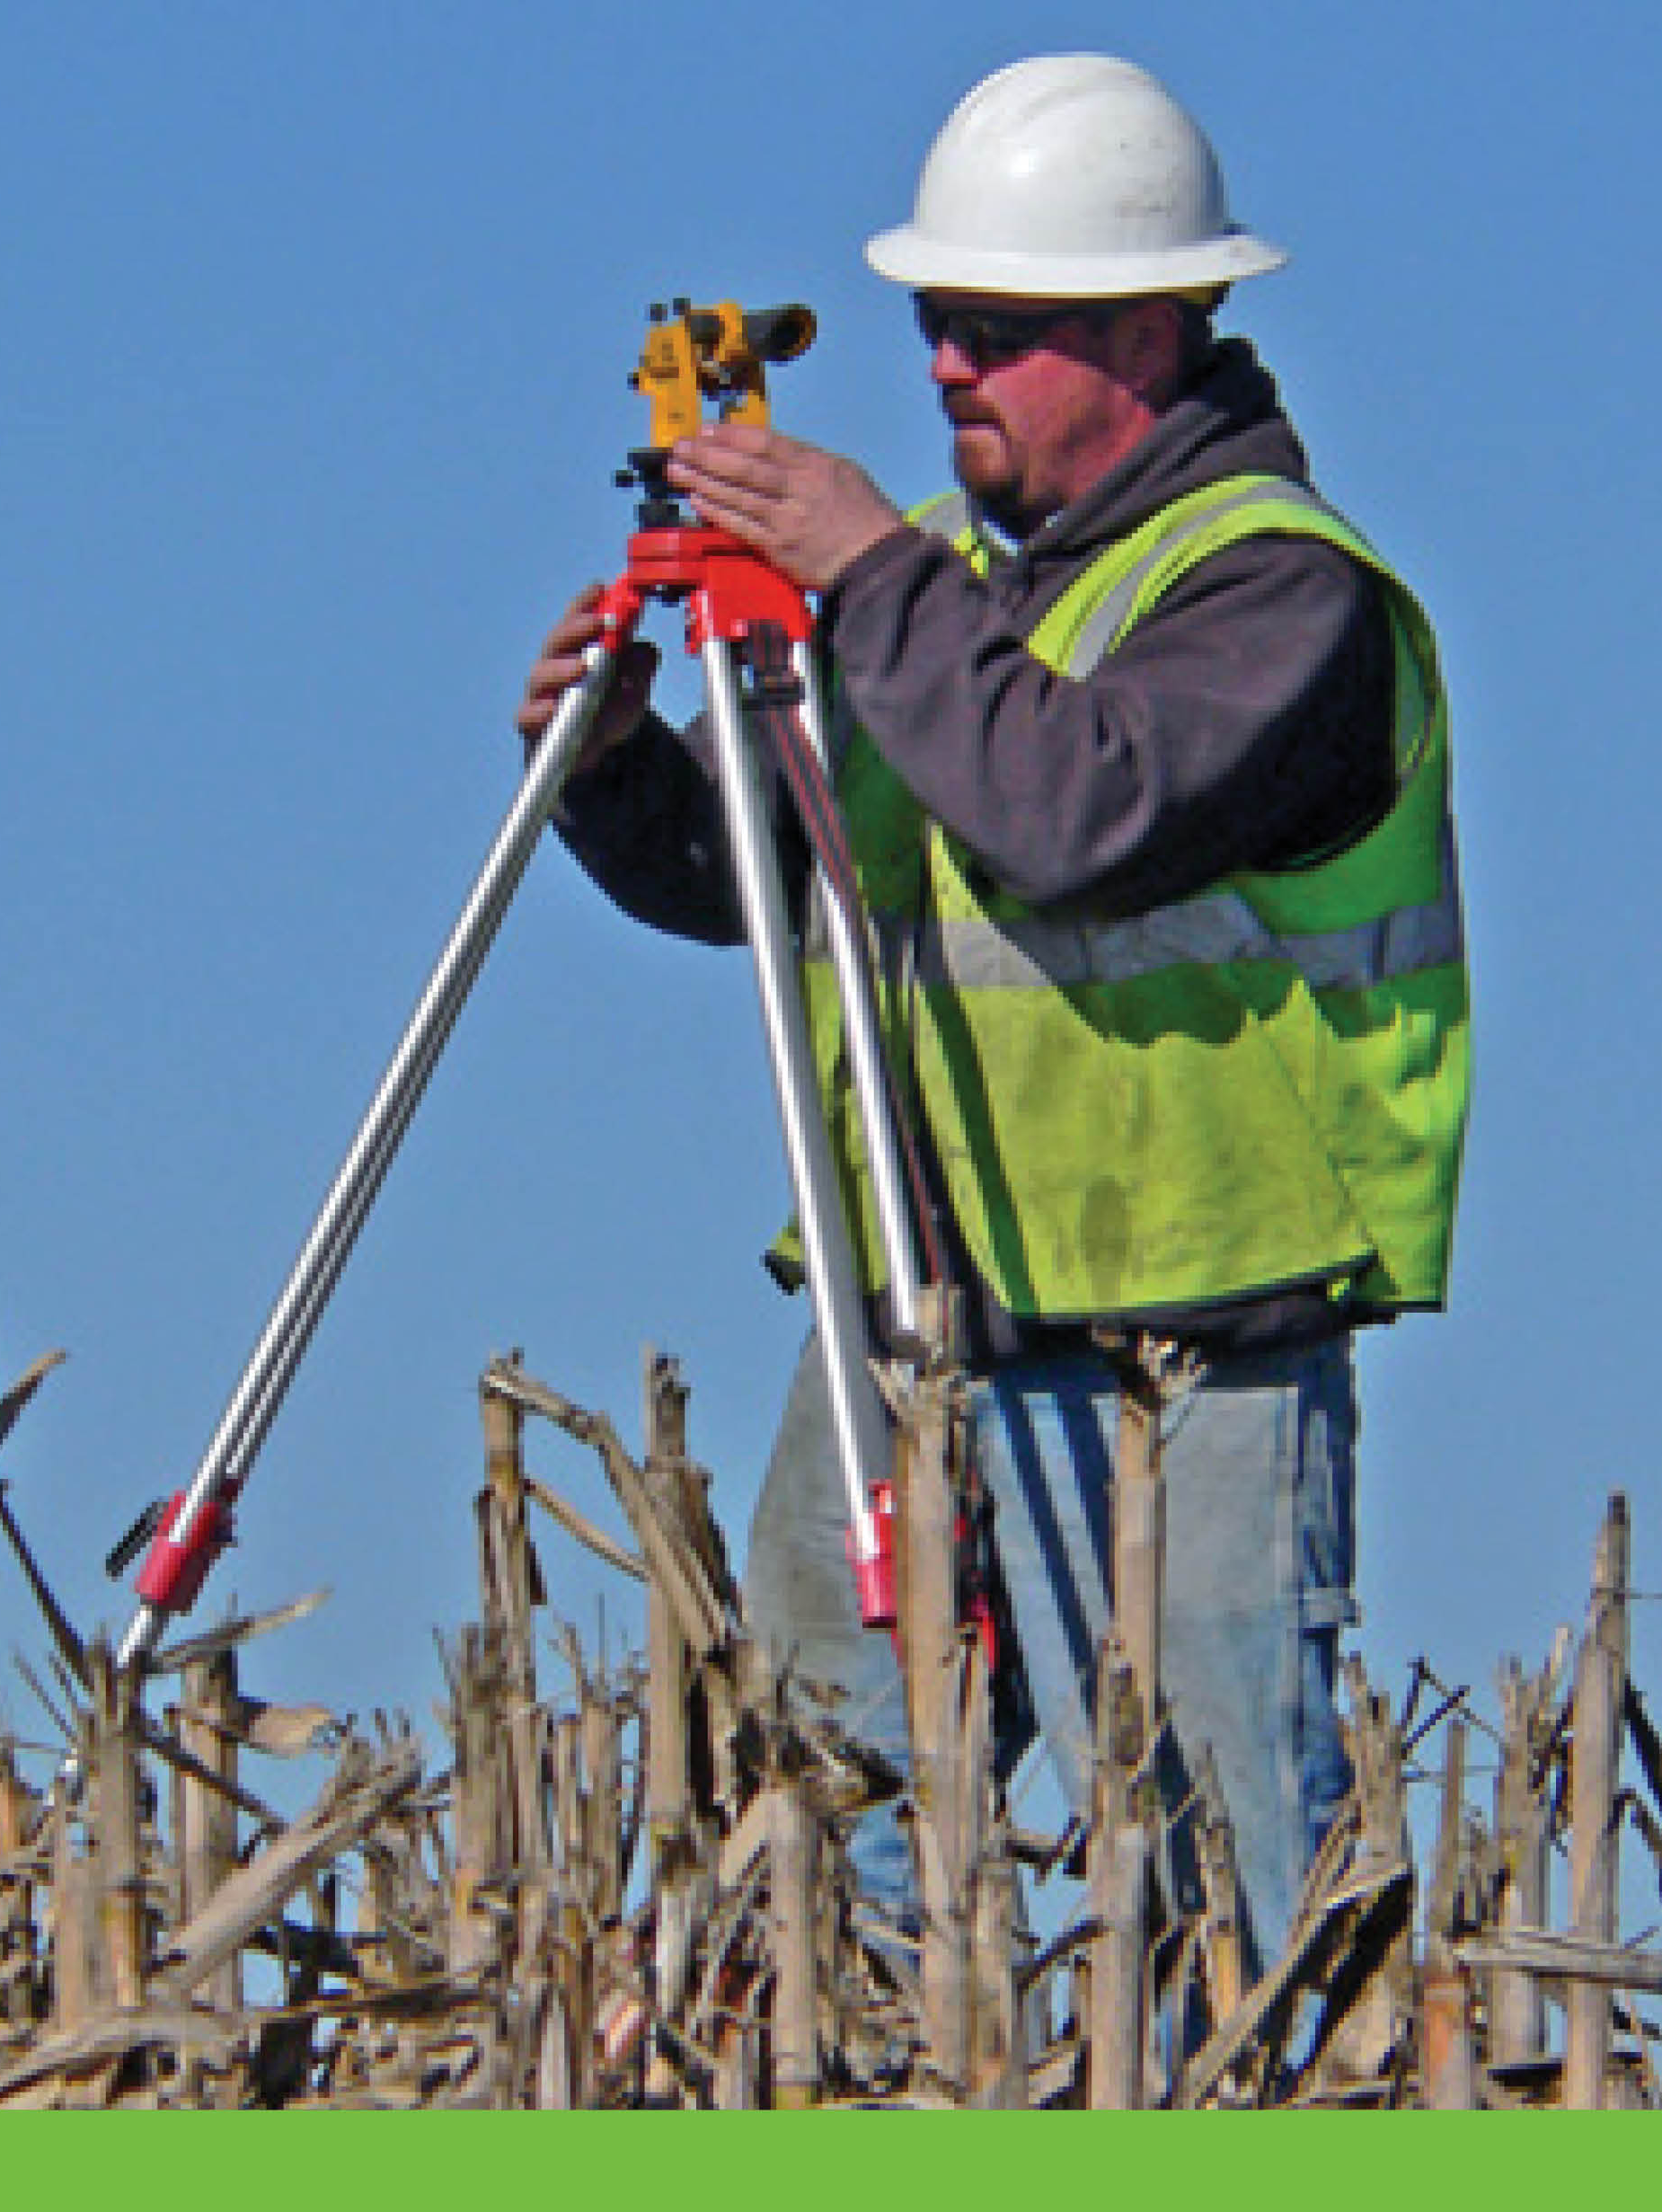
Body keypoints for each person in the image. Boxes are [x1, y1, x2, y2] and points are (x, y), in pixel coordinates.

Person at [516, 54, 1468, 1952]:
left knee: (1223, 1899)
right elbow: (752, 875)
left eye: (997, 329)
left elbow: (1070, 811)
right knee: (806, 1856)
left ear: (1155, 331)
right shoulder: (939, 595)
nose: (946, 363)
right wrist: (610, 766)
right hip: (913, 1326)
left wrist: (866, 573)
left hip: (1194, 1353)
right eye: (935, 322)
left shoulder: (1278, 600)